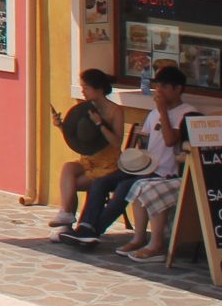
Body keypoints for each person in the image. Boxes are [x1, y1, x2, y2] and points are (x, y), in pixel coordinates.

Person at [61, 65, 192, 250]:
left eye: (164, 87)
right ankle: (85, 227)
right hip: (143, 166)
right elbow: (145, 141)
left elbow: (170, 141)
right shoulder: (154, 113)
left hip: (164, 171)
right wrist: (135, 160)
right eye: (158, 86)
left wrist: (163, 112)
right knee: (101, 183)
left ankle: (92, 232)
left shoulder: (186, 113)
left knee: (123, 188)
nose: (159, 91)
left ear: (178, 89)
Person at [47, 69, 125, 229]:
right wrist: (61, 127)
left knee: (72, 183)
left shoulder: (115, 111)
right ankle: (67, 215)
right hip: (88, 159)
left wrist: (100, 124)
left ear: (99, 89)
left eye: (86, 87)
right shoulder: (84, 108)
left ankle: (66, 222)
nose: (83, 91)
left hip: (107, 165)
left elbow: (117, 142)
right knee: (68, 168)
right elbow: (79, 140)